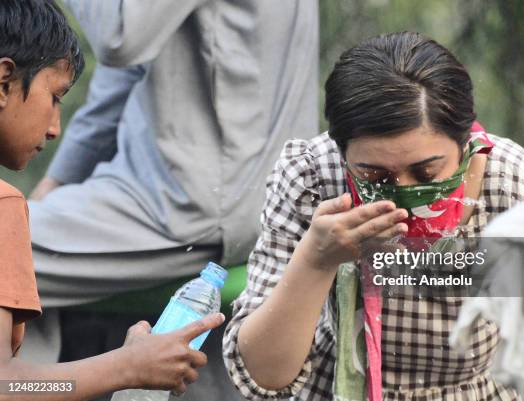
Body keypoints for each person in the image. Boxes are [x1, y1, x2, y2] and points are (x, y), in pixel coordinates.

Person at [223, 31, 524, 401]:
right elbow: (265, 376)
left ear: (464, 144)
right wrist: (315, 259)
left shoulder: (519, 191)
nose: (405, 193)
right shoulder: (313, 180)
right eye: (376, 177)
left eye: (427, 174)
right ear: (341, 152)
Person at [22, 1, 318, 400]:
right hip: (194, 191)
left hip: (204, 198)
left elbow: (121, 37)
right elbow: (125, 73)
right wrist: (54, 185)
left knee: (10, 254)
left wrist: (119, 369)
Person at [0, 1, 224, 400]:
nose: (55, 128)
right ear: (4, 82)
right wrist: (126, 367)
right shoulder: (4, 207)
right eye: (54, 97)